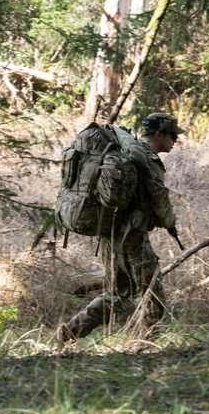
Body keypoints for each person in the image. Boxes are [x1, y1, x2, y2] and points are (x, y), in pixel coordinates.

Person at [59, 112, 185, 344]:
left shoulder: (129, 153)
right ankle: (146, 346)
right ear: (158, 134)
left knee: (119, 293)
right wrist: (169, 220)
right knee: (152, 295)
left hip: (111, 232)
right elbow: (157, 197)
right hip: (131, 238)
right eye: (172, 135)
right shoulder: (146, 159)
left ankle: (71, 331)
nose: (175, 140)